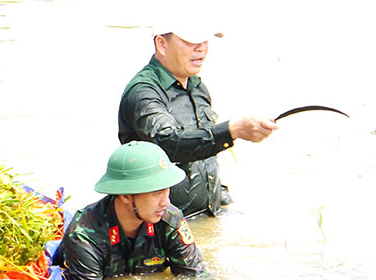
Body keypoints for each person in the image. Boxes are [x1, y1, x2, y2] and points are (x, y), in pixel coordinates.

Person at [118, 23, 277, 217]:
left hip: (207, 215)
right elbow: (168, 141)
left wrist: (223, 201)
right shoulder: (144, 92)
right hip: (162, 225)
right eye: (191, 41)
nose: (201, 47)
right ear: (161, 44)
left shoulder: (197, 87)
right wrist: (232, 130)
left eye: (204, 40)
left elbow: (204, 157)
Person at [61, 141, 206, 280]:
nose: (166, 202)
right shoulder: (84, 236)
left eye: (166, 190)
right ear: (125, 196)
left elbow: (197, 279)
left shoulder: (170, 219)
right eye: (156, 194)